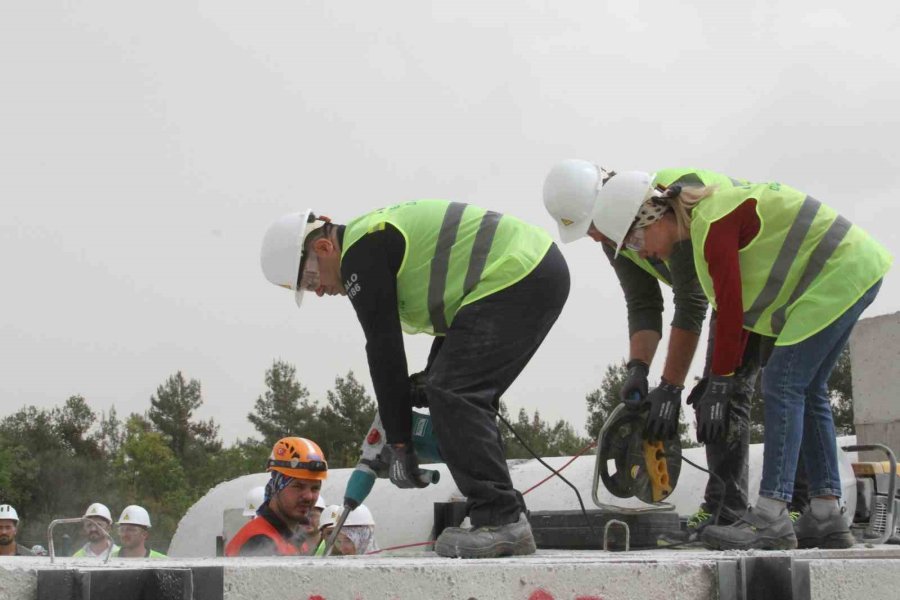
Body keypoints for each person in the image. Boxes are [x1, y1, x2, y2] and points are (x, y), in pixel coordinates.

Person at [588, 171, 891, 550]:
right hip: (852, 269)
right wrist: (718, 379)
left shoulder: (711, 227)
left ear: (652, 216)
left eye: (634, 241)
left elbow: (731, 311)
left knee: (782, 383)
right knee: (809, 389)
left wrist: (721, 379)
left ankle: (771, 516)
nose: (642, 254)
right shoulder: (700, 228)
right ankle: (827, 514)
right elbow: (744, 313)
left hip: (835, 274)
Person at [260, 200, 570, 558]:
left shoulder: (363, 250)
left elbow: (383, 346)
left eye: (311, 278)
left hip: (518, 273)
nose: (317, 291)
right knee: (446, 389)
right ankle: (506, 512)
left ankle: (501, 519)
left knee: (454, 391)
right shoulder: (373, 237)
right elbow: (443, 334)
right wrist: (417, 393)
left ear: (324, 247)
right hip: (520, 274)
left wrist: (401, 442)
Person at [543, 160, 769, 542]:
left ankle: (737, 511)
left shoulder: (663, 208)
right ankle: (723, 509)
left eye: (593, 228)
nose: (596, 238)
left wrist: (670, 387)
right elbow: (644, 305)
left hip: (759, 276)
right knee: (717, 392)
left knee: (727, 392)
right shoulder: (618, 236)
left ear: (605, 207)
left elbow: (691, 302)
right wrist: (638, 369)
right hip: (723, 288)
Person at [225, 437, 327, 557]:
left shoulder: (294, 538)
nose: (308, 496)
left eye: (315, 488)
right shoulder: (260, 541)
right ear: (276, 487)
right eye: (298, 486)